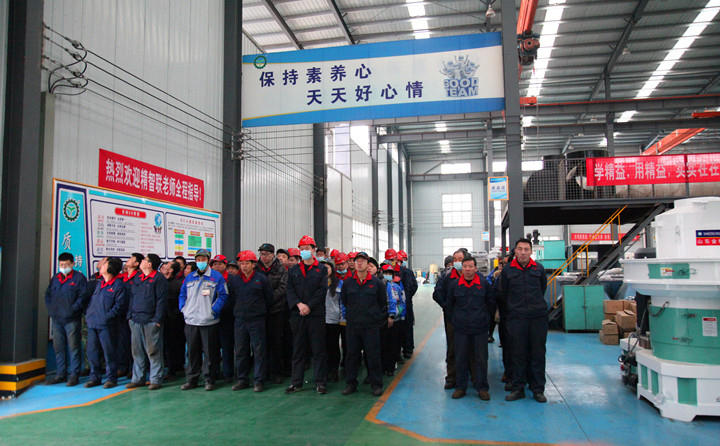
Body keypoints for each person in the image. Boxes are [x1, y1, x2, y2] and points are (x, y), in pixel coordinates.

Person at [500, 239, 548, 403]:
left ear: (531, 251)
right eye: (519, 249)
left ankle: (538, 389)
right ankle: (518, 388)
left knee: (538, 354)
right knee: (517, 353)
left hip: (537, 318)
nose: (523, 252)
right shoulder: (508, 270)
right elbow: (504, 293)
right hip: (517, 318)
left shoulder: (538, 269)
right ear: (515, 251)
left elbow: (542, 288)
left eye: (526, 249)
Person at [178, 249, 228, 391]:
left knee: (210, 352)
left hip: (208, 321)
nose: (200, 262)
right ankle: (192, 379)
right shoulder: (190, 277)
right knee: (192, 352)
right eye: (198, 260)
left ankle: (209, 379)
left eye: (203, 259)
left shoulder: (216, 277)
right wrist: (183, 308)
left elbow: (223, 295)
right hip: (191, 321)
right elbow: (182, 294)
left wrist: (213, 310)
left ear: (208, 260)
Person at [285, 235, 328, 395]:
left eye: (307, 249)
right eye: (302, 249)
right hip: (298, 314)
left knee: (318, 349)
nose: (304, 251)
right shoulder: (294, 270)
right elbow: (289, 290)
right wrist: (299, 304)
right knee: (298, 349)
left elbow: (321, 291)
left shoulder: (321, 269)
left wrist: (308, 305)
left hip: (315, 314)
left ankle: (320, 382)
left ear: (313, 250)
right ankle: (296, 382)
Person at [341, 252, 388, 397]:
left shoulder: (376, 283)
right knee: (352, 355)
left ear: (368, 265)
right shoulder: (348, 283)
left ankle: (376, 384)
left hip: (371, 326)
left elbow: (382, 303)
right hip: (353, 326)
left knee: (373, 355)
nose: (359, 263)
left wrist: (375, 318)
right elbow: (344, 300)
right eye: (357, 261)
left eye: (363, 261)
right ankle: (351, 383)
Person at [445, 255, 492, 400]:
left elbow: (491, 303)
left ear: (476, 269)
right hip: (461, 329)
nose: (467, 269)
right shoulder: (455, 285)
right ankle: (461, 387)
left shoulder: (484, 284)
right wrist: (455, 320)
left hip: (479, 328)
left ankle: (482, 388)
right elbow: (449, 305)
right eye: (465, 266)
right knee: (460, 358)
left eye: (470, 266)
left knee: (481, 358)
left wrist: (485, 319)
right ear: (462, 268)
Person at [229, 251, 273, 392]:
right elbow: (232, 298)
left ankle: (258, 380)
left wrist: (259, 310)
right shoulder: (235, 280)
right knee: (241, 350)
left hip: (257, 320)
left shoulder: (261, 279)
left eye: (247, 263)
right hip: (240, 320)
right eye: (241, 263)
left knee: (259, 350)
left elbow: (269, 297)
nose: (244, 266)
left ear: (253, 264)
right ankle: (242, 379)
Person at [45, 252, 89, 386]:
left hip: (72, 319)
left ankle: (74, 375)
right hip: (57, 319)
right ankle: (61, 374)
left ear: (72, 264)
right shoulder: (55, 278)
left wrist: (73, 309)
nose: (63, 267)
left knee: (74, 347)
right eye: (61, 264)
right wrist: (52, 310)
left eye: (66, 264)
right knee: (58, 347)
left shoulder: (79, 278)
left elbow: (83, 297)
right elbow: (48, 295)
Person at [125, 253, 168, 390]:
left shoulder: (159, 279)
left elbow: (161, 300)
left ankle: (156, 379)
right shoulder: (138, 277)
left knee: (153, 351)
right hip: (136, 320)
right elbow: (132, 297)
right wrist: (130, 316)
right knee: (137, 351)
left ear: (149, 264)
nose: (141, 261)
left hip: (151, 321)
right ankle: (138, 379)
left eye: (144, 260)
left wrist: (157, 320)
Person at [84, 257, 127, 388]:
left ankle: (111, 378)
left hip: (107, 325)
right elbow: (92, 302)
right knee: (92, 351)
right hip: (92, 323)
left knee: (109, 352)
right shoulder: (100, 284)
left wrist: (107, 317)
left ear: (110, 268)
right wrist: (89, 315)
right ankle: (95, 377)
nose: (101, 266)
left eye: (105, 264)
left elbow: (119, 306)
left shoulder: (118, 285)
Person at [432, 250, 466, 389]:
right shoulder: (448, 277)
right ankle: (452, 377)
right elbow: (437, 294)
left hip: (470, 318)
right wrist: (447, 307)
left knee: (471, 348)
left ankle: (471, 376)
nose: (457, 262)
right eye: (455, 259)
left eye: (460, 259)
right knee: (452, 347)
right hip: (452, 318)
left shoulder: (473, 276)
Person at [256, 243, 289, 384]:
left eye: (267, 254)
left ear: (272, 255)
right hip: (259, 312)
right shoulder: (255, 268)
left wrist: (269, 299)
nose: (264, 257)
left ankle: (276, 372)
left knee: (275, 342)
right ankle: (262, 372)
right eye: (262, 254)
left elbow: (282, 288)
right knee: (260, 344)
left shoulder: (281, 269)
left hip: (276, 310)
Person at [118, 253, 144, 378]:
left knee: (134, 343)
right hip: (121, 314)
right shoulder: (123, 278)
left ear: (136, 264)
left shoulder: (138, 278)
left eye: (131, 259)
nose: (127, 261)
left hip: (133, 314)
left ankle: (134, 369)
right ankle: (123, 367)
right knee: (122, 342)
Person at [211, 254, 234, 383]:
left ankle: (228, 373)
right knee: (213, 348)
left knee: (227, 347)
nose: (217, 266)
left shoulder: (232, 279)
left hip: (227, 318)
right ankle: (214, 373)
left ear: (225, 265)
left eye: (220, 264)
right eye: (215, 264)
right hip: (211, 318)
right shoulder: (209, 279)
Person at [164, 261, 186, 380]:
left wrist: (174, 314)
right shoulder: (163, 283)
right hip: (168, 318)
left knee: (173, 345)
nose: (163, 268)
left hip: (173, 319)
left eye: (166, 266)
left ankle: (173, 369)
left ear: (171, 270)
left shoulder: (177, 284)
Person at [394, 250, 418, 359]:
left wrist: (406, 299)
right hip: (396, 304)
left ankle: (408, 349)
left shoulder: (408, 272)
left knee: (407, 327)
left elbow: (413, 286)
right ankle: (398, 350)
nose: (401, 262)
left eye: (403, 260)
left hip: (406, 304)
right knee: (398, 328)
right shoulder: (392, 272)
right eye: (399, 260)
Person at [379, 263, 401, 377]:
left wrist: (398, 314)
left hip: (394, 319)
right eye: (385, 273)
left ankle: (391, 366)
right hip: (383, 319)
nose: (387, 275)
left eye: (389, 273)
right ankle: (383, 366)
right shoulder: (380, 286)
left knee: (392, 344)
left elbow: (401, 302)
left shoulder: (397, 287)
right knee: (383, 344)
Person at [324, 260, 343, 383]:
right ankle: (325, 371)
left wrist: (342, 317)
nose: (325, 270)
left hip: (334, 320)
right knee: (322, 348)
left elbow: (343, 301)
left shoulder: (339, 283)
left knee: (333, 347)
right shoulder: (317, 282)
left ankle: (334, 371)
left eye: (327, 267)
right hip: (320, 319)